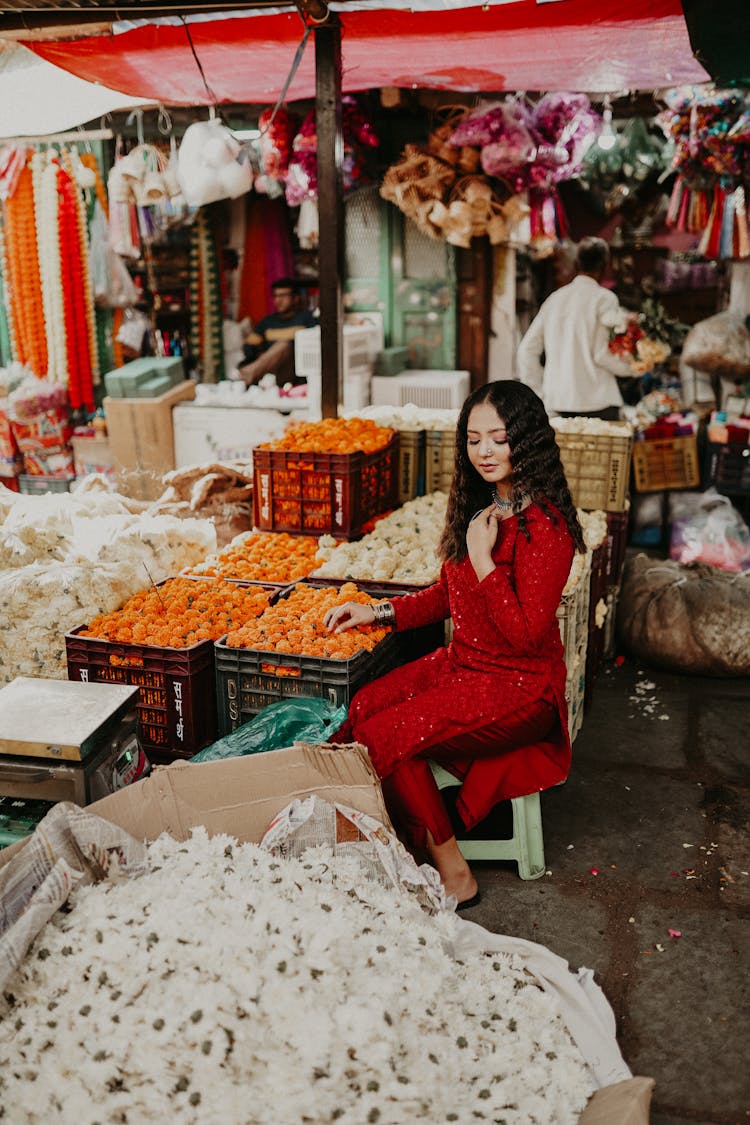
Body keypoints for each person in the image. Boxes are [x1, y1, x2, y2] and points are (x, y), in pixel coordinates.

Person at [323, 380, 585, 908]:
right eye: (473, 439)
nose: (484, 451)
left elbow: (525, 633)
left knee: (388, 734)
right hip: (465, 665)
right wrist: (377, 611)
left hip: (521, 688)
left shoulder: (547, 529)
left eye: (499, 438)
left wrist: (484, 558)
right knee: (364, 706)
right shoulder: (485, 509)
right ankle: (379, 837)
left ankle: (454, 872)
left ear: (526, 441)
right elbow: (450, 594)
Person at [516, 236, 634, 420]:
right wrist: (633, 368)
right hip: (598, 403)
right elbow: (601, 354)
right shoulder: (605, 299)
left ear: (576, 263)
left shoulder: (555, 299)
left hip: (557, 402)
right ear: (605, 266)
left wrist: (538, 393)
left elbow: (526, 350)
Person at [239, 277, 317, 386]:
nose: (278, 300)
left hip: (293, 372)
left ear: (296, 298)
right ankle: (249, 376)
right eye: (275, 296)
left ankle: (245, 377)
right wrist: (266, 356)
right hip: (268, 372)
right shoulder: (267, 322)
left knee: (285, 345)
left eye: (283, 296)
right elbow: (249, 347)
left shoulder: (306, 318)